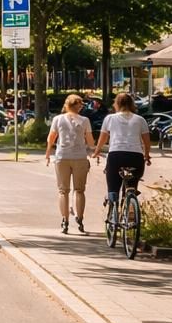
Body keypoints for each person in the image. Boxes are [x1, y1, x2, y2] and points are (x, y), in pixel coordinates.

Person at [45, 93, 96, 233]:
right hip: (80, 157)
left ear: (67, 105)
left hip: (62, 157)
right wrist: (94, 150)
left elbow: (51, 138)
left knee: (63, 191)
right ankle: (80, 219)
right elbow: (90, 141)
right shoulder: (85, 120)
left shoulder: (57, 119)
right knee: (79, 190)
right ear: (78, 106)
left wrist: (48, 153)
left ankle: (65, 220)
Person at [92, 92, 151, 207]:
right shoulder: (140, 120)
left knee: (113, 186)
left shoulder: (109, 118)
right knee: (132, 184)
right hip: (136, 157)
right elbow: (146, 142)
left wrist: (97, 151)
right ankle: (131, 201)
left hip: (116, 155)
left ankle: (113, 207)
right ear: (132, 104)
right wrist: (147, 155)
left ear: (116, 104)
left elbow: (103, 138)